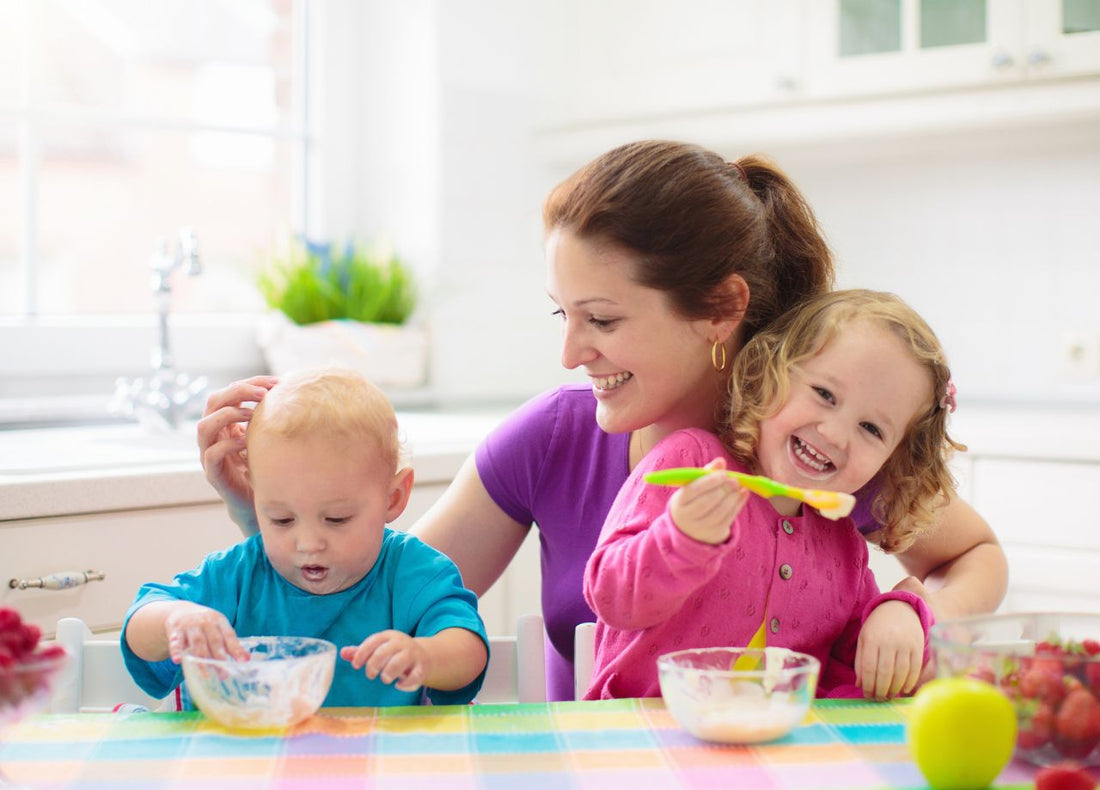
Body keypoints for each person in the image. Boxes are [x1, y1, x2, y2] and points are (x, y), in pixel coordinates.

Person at [197, 140, 1006, 701]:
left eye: (603, 320)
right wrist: (263, 503)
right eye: (563, 314)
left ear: (720, 308)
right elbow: (370, 594)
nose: (571, 352)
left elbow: (974, 555)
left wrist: (910, 609)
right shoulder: (555, 436)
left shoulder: (818, 448)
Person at [584, 289, 958, 700]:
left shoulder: (844, 550)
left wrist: (899, 614)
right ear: (771, 371)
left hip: (772, 756)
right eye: (824, 394)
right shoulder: (691, 463)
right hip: (639, 744)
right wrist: (680, 537)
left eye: (871, 429)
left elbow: (854, 681)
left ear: (893, 462)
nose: (834, 434)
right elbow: (610, 598)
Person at [125, 368, 489, 709]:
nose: (308, 543)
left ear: (392, 498)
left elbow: (467, 649)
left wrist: (425, 655)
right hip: (249, 765)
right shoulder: (240, 574)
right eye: (281, 519)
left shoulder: (413, 572)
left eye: (336, 518)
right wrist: (176, 618)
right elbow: (138, 628)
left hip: (374, 765)